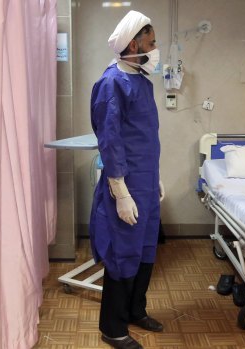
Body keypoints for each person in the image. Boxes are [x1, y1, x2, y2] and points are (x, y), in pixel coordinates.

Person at [89, 10, 165, 349]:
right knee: (123, 254)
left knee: (146, 251)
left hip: (147, 184)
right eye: (151, 41)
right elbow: (110, 141)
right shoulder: (111, 83)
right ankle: (113, 328)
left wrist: (156, 179)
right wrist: (120, 192)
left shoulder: (142, 83)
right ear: (134, 43)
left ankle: (136, 310)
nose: (155, 47)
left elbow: (145, 138)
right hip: (127, 185)